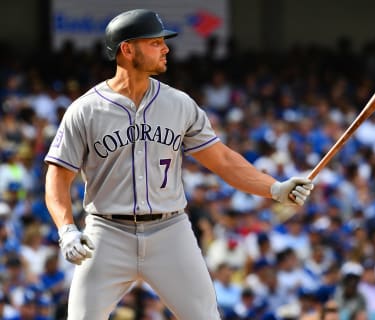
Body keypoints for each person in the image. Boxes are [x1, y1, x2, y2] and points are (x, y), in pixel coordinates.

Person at [43, 8, 314, 320]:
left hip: (169, 231)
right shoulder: (85, 110)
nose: (166, 48)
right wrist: (66, 230)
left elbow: (223, 160)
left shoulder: (179, 104)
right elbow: (57, 179)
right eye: (155, 42)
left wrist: (275, 188)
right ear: (128, 49)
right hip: (106, 233)